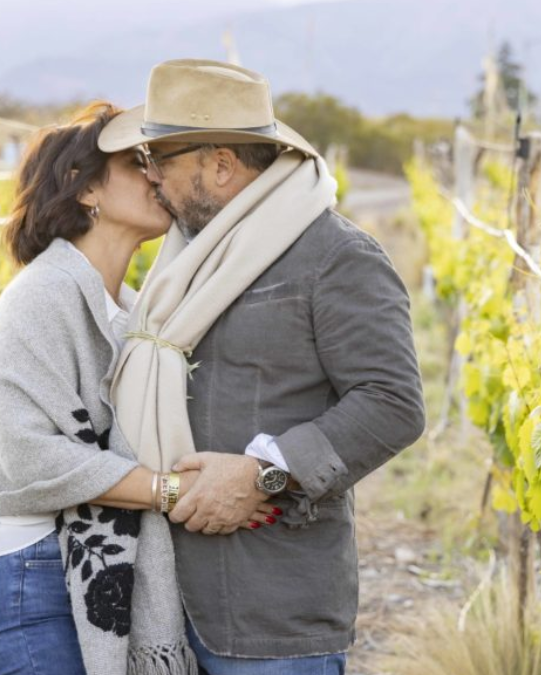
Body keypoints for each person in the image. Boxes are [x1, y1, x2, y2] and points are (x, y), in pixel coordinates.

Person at [101, 59, 426, 675]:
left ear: (220, 165)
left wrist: (263, 474)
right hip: (170, 600)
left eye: (159, 162)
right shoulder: (189, 259)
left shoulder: (337, 256)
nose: (151, 181)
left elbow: (392, 402)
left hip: (272, 613)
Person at [0, 101, 275, 675]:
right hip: (25, 574)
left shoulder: (130, 313)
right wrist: (170, 492)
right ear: (84, 190)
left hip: (68, 567)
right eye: (134, 163)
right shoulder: (43, 293)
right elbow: (25, 458)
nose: (156, 176)